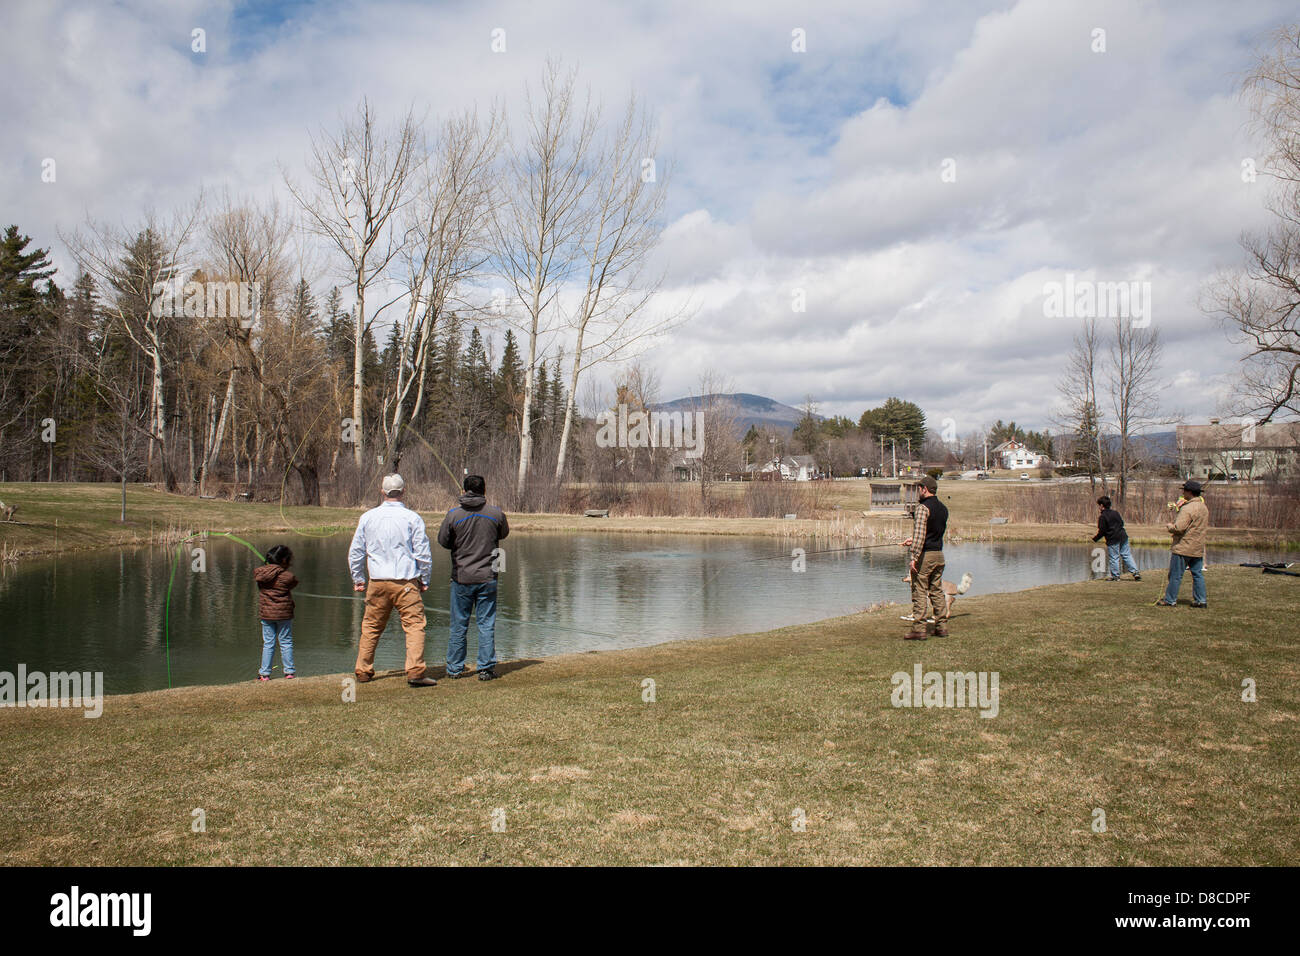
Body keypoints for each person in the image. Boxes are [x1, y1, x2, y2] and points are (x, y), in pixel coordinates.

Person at [348, 474, 437, 687]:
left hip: (377, 581)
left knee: (371, 626)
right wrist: (425, 578)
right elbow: (423, 554)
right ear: (403, 491)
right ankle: (415, 672)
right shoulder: (412, 518)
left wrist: (358, 578)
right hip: (406, 582)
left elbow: (356, 552)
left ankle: (363, 669)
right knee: (415, 626)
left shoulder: (368, 517)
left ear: (382, 491)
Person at [437, 474, 509, 681]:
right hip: (488, 577)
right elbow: (503, 534)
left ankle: (455, 669)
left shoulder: (453, 515)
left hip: (462, 578)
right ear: (484, 490)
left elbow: (443, 541)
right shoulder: (496, 514)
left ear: (465, 490)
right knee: (486, 624)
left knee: (459, 624)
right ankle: (485, 668)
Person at [902, 475, 948, 640]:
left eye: (919, 489)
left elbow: (921, 535)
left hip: (925, 556)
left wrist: (914, 556)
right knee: (936, 591)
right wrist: (912, 540)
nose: (918, 492)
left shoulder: (922, 508)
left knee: (919, 591)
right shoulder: (943, 508)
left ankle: (919, 629)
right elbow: (933, 533)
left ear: (925, 489)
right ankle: (941, 627)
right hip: (939, 555)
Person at [1156, 480, 1209, 608]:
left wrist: (1170, 526)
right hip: (1197, 547)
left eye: (1184, 490)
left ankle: (1170, 600)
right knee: (1197, 574)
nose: (1183, 492)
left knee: (1175, 575)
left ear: (1189, 492)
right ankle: (1201, 600)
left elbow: (1179, 528)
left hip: (1183, 547)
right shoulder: (1203, 507)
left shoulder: (1187, 508)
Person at [254, 544, 298, 681]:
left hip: (267, 614)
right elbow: (293, 582)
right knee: (286, 642)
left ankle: (265, 673)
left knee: (268, 643)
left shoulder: (260, 574)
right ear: (284, 561)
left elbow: (262, 580)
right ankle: (289, 672)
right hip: (284, 614)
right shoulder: (287, 576)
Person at [1093, 496, 1141, 581]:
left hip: (1113, 539)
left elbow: (1102, 531)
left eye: (1099, 505)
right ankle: (1135, 573)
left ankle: (1115, 576)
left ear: (1101, 505)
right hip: (1123, 536)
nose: (1098, 507)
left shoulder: (1103, 517)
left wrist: (1095, 538)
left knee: (1114, 557)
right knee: (1126, 555)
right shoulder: (1115, 513)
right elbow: (1121, 523)